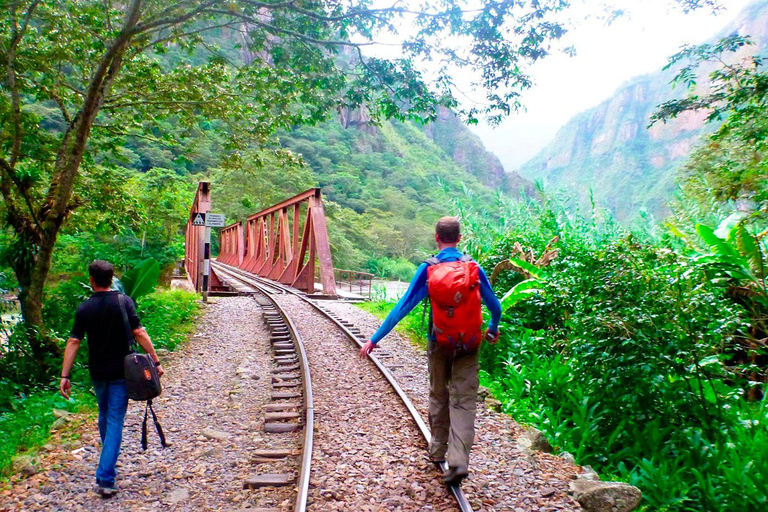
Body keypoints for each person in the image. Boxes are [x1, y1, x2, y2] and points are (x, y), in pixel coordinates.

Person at [360, 216, 501, 486]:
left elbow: (402, 307)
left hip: (439, 343)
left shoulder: (429, 270)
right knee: (464, 402)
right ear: (460, 239)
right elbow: (495, 307)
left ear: (437, 238)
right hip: (469, 344)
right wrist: (492, 329)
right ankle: (458, 461)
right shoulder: (473, 267)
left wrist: (374, 340)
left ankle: (438, 449)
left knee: (439, 393)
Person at [60, 260, 164, 498]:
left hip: (98, 372)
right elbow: (139, 332)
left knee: (105, 416)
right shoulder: (124, 301)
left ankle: (108, 462)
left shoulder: (84, 308)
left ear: (92, 280)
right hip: (121, 372)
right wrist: (155, 361)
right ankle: (106, 477)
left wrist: (65, 375)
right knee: (115, 420)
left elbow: (73, 341)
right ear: (112, 278)